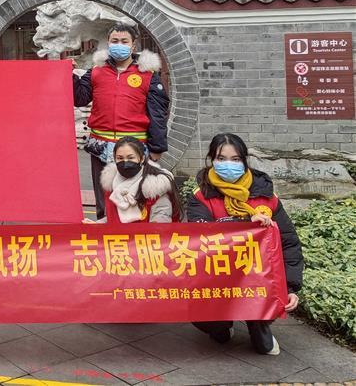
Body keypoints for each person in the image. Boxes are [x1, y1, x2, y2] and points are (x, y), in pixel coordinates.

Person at [187, 133, 303, 356]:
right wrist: (246, 222)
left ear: (244, 160)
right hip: (218, 275)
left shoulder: (266, 197)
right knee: (206, 318)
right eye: (221, 159)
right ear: (211, 159)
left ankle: (258, 323)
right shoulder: (201, 196)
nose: (228, 165)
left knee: (268, 303)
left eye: (235, 159)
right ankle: (221, 325)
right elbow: (201, 237)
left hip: (257, 278)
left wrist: (289, 287)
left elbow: (288, 243)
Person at [73, 22, 170, 220]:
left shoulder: (148, 74)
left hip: (135, 147)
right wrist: (71, 75)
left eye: (124, 41)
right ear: (108, 43)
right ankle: (104, 231)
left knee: (133, 197)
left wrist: (157, 147)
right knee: (103, 198)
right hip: (101, 145)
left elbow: (158, 113)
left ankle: (132, 235)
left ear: (133, 45)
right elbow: (80, 98)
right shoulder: (96, 71)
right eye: (114, 41)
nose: (119, 45)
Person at [84, 136, 180, 224]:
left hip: (145, 237)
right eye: (120, 158)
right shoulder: (110, 184)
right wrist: (97, 226)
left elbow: (161, 227)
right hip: (119, 237)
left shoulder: (156, 189)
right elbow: (112, 219)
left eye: (130, 158)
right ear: (114, 159)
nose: (125, 162)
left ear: (142, 159)